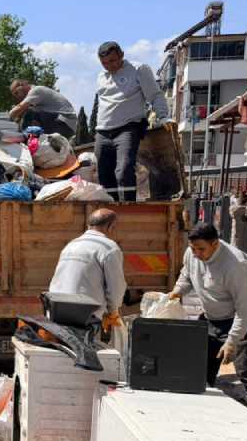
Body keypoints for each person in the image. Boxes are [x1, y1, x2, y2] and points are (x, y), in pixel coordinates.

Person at [168, 222, 247, 420]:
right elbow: (186, 275)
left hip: (242, 317)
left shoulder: (235, 265)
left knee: (245, 368)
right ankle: (204, 411)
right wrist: (176, 292)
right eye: (193, 248)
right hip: (212, 317)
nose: (196, 253)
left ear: (215, 244)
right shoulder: (192, 253)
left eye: (201, 249)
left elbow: (245, 309)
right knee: (201, 363)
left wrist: (232, 341)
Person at [93, 41, 176, 201]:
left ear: (122, 55)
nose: (109, 66)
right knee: (104, 173)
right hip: (103, 131)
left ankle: (128, 206)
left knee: (123, 170)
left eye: (112, 61)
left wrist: (163, 116)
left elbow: (155, 95)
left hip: (127, 128)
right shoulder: (101, 77)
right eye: (104, 63)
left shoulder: (138, 69)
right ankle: (111, 206)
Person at [48, 208, 126, 332]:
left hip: (56, 308)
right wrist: (113, 312)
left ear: (89, 225)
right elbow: (116, 287)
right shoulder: (108, 248)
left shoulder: (71, 244)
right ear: (110, 226)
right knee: (85, 348)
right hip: (84, 314)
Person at [9, 80, 77, 139]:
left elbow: (18, 109)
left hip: (64, 123)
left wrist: (9, 115)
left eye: (16, 93)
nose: (16, 97)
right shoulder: (36, 99)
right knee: (30, 114)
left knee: (29, 114)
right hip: (67, 125)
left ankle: (23, 139)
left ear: (22, 85)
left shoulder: (36, 90)